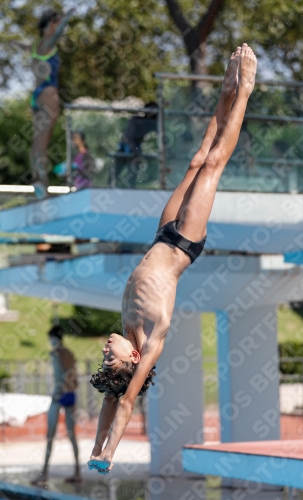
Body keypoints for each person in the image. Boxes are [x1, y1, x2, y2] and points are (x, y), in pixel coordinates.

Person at [87, 44, 257, 475]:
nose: (106, 350)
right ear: (130, 362)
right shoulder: (149, 341)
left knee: (196, 160)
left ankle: (226, 87)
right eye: (110, 358)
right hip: (183, 243)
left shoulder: (127, 331)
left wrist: (93, 447)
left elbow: (110, 400)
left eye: (106, 356)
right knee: (214, 164)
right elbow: (125, 402)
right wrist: (109, 455)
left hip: (161, 235)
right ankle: (247, 91)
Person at [11, 8, 75, 198]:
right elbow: (57, 32)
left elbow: (19, 45)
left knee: (36, 144)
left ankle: (39, 182)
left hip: (36, 97)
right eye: (55, 23)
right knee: (43, 143)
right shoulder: (47, 42)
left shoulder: (34, 46)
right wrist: (68, 16)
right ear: (50, 25)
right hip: (48, 94)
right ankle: (43, 188)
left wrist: (11, 42)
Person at [31, 325, 81, 485]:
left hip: (60, 394)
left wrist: (58, 391)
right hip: (70, 393)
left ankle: (44, 472)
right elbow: (73, 375)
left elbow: (61, 373)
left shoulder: (55, 353)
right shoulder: (70, 353)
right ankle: (77, 472)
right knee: (72, 435)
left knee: (50, 435)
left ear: (54, 338)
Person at [115, 102, 157, 188]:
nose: (153, 113)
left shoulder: (152, 123)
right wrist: (135, 150)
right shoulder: (135, 120)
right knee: (117, 170)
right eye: (151, 110)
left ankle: (131, 187)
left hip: (136, 146)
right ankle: (111, 186)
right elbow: (128, 137)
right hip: (125, 146)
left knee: (133, 171)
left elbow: (163, 134)